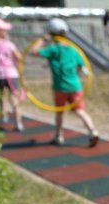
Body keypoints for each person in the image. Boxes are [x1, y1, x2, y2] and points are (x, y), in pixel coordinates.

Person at [30, 18, 99, 147]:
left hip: (60, 87)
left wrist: (43, 39)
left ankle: (59, 136)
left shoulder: (53, 49)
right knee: (79, 111)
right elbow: (81, 66)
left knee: (59, 112)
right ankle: (92, 131)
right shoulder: (74, 50)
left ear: (51, 33)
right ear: (66, 33)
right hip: (75, 86)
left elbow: (33, 51)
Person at [0, 16, 24, 131]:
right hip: (11, 74)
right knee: (14, 98)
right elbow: (19, 57)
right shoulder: (9, 44)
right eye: (4, 30)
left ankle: (4, 115)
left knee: (1, 96)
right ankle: (18, 122)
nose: (6, 32)